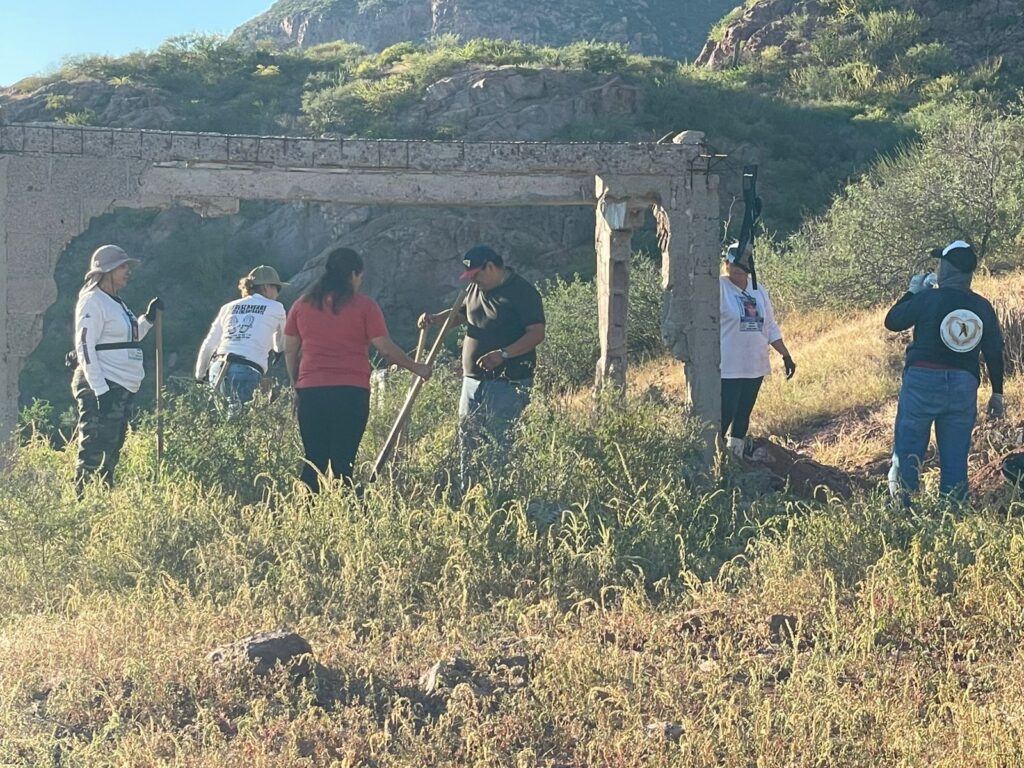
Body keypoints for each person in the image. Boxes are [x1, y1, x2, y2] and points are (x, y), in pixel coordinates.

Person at [284, 247, 432, 492]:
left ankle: (306, 516)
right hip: (350, 393)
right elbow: (384, 347)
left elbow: (290, 348)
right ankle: (343, 516)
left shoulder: (303, 304)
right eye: (360, 276)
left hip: (311, 391)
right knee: (343, 462)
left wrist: (295, 383)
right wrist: (415, 366)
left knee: (314, 461)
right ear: (353, 274)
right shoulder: (364, 306)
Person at [885, 240, 1005, 503]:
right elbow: (994, 351)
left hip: (922, 384)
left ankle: (901, 511)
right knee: (954, 460)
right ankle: (952, 515)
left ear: (946, 269)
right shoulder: (982, 307)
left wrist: (912, 293)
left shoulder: (928, 299)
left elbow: (893, 321)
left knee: (907, 453)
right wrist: (997, 393)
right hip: (963, 386)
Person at [419, 244, 545, 488]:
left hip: (508, 383)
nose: (473, 280)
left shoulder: (522, 292)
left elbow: (536, 333)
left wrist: (504, 354)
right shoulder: (474, 290)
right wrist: (436, 319)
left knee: (499, 445)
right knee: (469, 441)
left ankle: (500, 496)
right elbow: (461, 315)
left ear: (491, 266)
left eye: (476, 274)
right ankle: (471, 494)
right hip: (473, 382)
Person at [71, 244, 163, 491]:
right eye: (123, 266)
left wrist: (148, 319)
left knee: (111, 449)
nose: (127, 271)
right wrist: (101, 390)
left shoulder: (118, 304)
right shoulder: (93, 301)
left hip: (121, 385)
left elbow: (131, 337)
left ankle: (102, 499)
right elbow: (85, 346)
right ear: (108, 270)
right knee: (94, 449)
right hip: (104, 383)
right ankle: (82, 503)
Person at [719, 241, 795, 457]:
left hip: (754, 364)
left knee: (743, 414)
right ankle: (715, 458)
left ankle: (735, 455)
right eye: (731, 263)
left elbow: (769, 325)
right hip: (729, 366)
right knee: (725, 413)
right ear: (726, 264)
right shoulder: (720, 288)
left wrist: (785, 354)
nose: (735, 269)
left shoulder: (758, 290)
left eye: (740, 265)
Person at [195, 265, 288, 404]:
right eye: (277, 288)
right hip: (247, 368)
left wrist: (200, 376)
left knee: (224, 423)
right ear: (266, 287)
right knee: (241, 421)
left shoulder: (228, 307)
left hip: (218, 367)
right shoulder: (277, 307)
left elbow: (209, 344)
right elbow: (281, 342)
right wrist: (277, 350)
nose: (277, 293)